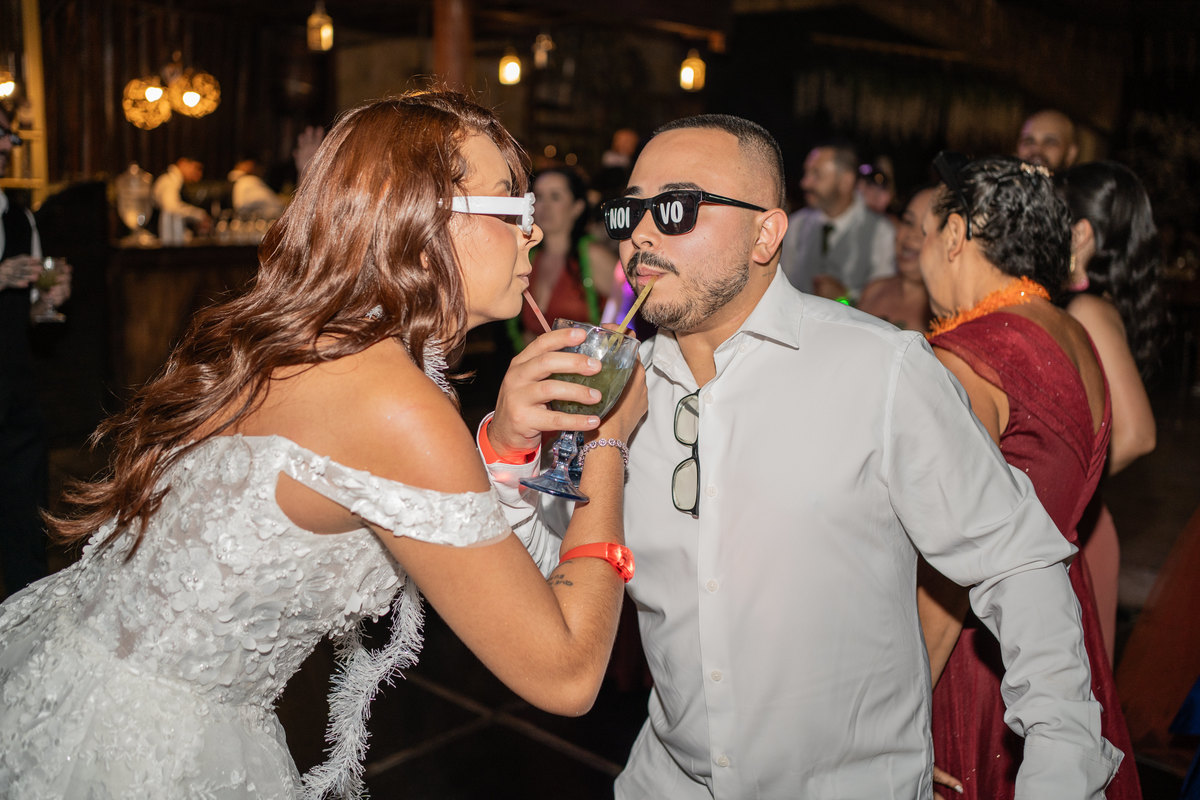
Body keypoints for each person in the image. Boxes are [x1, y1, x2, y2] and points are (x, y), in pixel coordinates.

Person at [0, 90, 647, 798]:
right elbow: (567, 674)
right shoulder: (392, 400)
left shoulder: (316, 338)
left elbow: (438, 528)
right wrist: (608, 442)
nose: (533, 232)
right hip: (148, 752)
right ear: (421, 221)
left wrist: (507, 442)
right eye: (512, 208)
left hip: (79, 685)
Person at [482, 114, 1121, 798]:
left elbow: (1017, 564)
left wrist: (1061, 768)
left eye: (675, 208)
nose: (640, 234)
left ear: (766, 234)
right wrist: (511, 454)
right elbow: (551, 573)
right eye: (628, 212)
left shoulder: (881, 370)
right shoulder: (617, 397)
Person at [917, 154, 1140, 799]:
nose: (919, 251)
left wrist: (904, 709)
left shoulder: (968, 357)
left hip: (974, 651)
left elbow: (949, 565)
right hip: (1059, 632)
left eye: (924, 232)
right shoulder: (1073, 333)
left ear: (954, 235)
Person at [1057, 160, 1168, 664]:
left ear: (1080, 233)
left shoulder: (1088, 310)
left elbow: (1139, 434)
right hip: (1076, 533)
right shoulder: (1082, 305)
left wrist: (1063, 496)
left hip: (1077, 535)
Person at [0, 102, 71, 598]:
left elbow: (29, 319)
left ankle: (25, 623)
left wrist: (48, 303)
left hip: (15, 396)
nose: (10, 144)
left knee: (25, 526)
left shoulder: (23, 219)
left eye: (12, 136)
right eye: (1, 133)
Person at [507, 166, 617, 351]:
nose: (544, 206)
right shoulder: (529, 258)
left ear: (577, 207)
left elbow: (632, 311)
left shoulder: (592, 256)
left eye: (555, 196)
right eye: (538, 197)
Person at [779, 141, 894, 301]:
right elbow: (781, 287)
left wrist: (845, 298)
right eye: (806, 173)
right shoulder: (795, 225)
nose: (805, 183)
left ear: (846, 181)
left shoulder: (881, 231)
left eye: (816, 175)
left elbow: (883, 300)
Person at [858, 186, 935, 331]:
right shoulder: (873, 290)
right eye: (908, 222)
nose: (911, 235)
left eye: (925, 229)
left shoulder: (941, 312)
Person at [152, 155, 212, 234]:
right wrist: (199, 215)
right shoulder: (169, 181)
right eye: (197, 168)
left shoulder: (176, 181)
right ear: (182, 163)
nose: (199, 175)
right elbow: (171, 208)